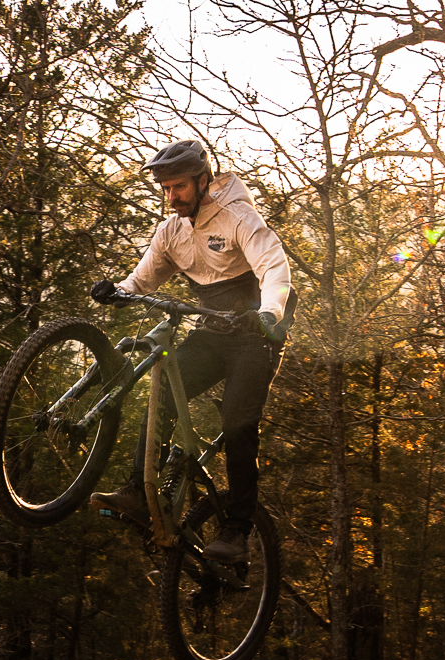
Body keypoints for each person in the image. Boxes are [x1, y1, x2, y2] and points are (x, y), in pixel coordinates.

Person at [88, 139, 292, 562]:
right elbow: (142, 280)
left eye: (179, 186)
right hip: (213, 333)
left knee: (237, 425)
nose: (171, 197)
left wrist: (269, 311)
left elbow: (274, 266)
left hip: (256, 336)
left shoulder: (238, 217)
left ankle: (236, 532)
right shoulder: (172, 231)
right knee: (160, 394)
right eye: (165, 188)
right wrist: (117, 291)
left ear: (203, 180)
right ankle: (137, 493)